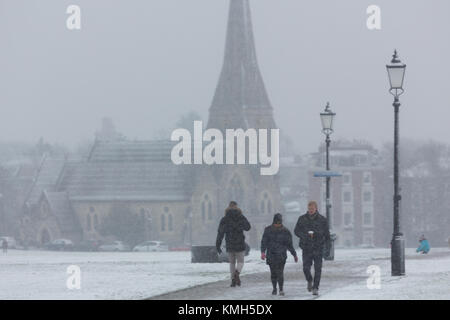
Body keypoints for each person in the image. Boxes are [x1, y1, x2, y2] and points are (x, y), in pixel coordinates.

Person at [294, 201, 330, 296]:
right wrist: (304, 235)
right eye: (309, 209)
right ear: (307, 208)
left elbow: (327, 234)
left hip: (318, 247)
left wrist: (328, 248)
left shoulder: (322, 220)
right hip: (306, 247)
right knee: (306, 268)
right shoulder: (302, 219)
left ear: (316, 208)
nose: (310, 210)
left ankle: (315, 287)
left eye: (312, 209)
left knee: (318, 269)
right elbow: (296, 231)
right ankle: (309, 280)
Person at [261, 213, 298, 296]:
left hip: (281, 255)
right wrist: (263, 252)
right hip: (271, 254)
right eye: (276, 223)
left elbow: (289, 245)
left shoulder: (285, 231)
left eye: (279, 223)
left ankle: (281, 289)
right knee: (273, 273)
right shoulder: (268, 230)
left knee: (280, 273)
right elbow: (264, 242)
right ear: (273, 222)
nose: (277, 225)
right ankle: (274, 288)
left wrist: (294, 254)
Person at [216, 201, 251, 287]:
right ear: (237, 207)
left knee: (232, 263)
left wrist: (218, 244)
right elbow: (248, 227)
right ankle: (237, 273)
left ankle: (233, 280)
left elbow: (220, 233)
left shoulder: (224, 219)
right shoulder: (240, 217)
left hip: (230, 243)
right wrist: (241, 223)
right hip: (239, 243)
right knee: (241, 261)